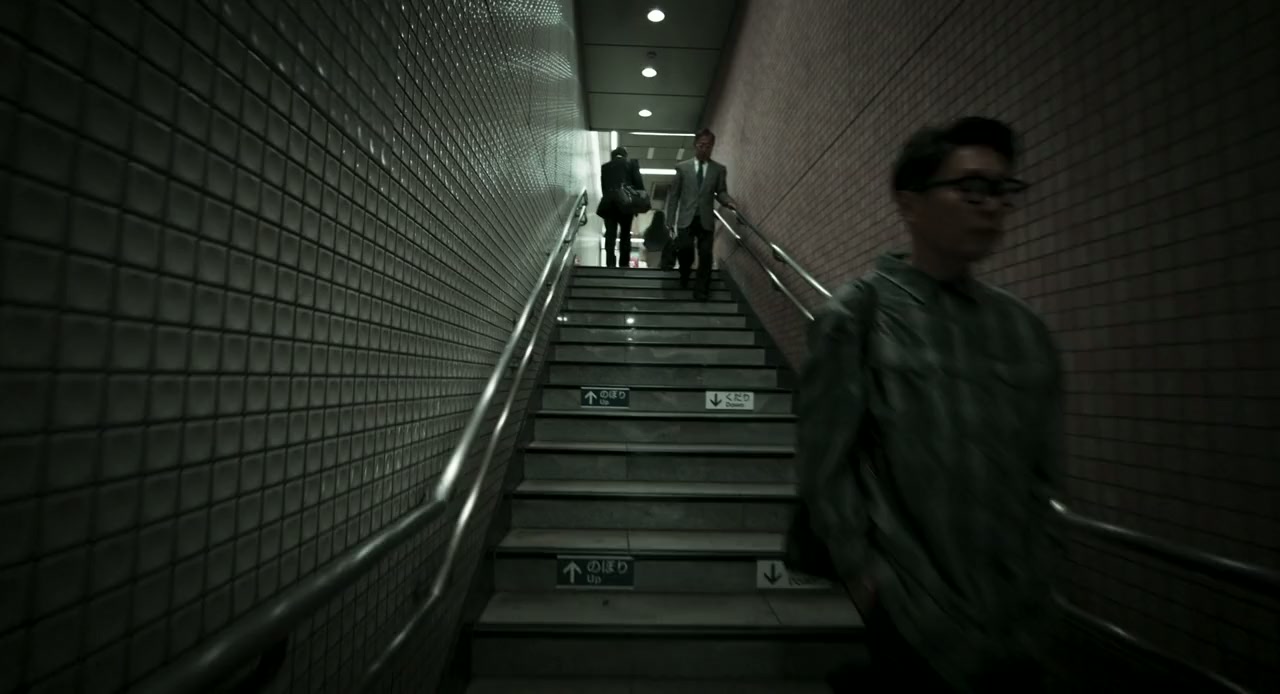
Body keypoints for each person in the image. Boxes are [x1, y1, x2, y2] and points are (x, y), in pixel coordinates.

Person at [795, 117, 1061, 693]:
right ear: (910, 203)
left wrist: (1042, 570)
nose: (992, 206)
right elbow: (824, 465)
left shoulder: (1022, 329)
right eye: (971, 188)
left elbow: (1043, 471)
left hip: (1016, 618)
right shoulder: (857, 317)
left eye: (1003, 190)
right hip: (913, 612)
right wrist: (865, 577)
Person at [665, 129, 736, 300]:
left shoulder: (718, 170)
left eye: (708, 146)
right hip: (686, 219)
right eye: (701, 145)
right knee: (685, 250)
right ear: (695, 145)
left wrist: (728, 201)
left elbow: (721, 191)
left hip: (705, 219)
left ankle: (701, 291)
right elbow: (674, 196)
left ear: (712, 147)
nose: (705, 149)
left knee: (705, 255)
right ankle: (684, 273)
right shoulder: (682, 168)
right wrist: (670, 220)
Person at [597, 146, 645, 268]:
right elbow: (638, 184)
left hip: (609, 205)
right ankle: (623, 264)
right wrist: (638, 204)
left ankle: (610, 263)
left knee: (610, 234)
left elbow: (604, 188)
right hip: (626, 204)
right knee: (625, 234)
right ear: (625, 155)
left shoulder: (605, 167)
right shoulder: (632, 164)